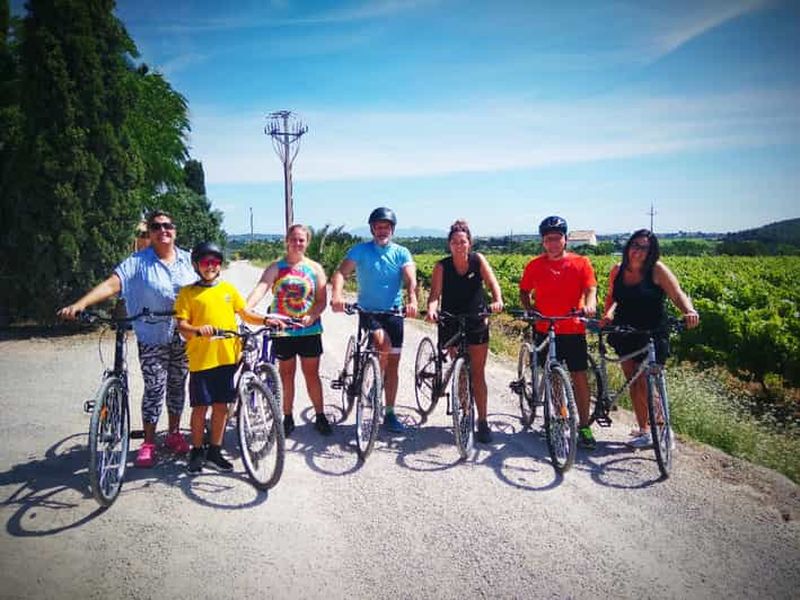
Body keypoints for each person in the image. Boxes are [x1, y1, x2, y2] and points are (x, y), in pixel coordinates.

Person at [58, 210, 196, 467]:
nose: (163, 230)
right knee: (154, 388)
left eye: (167, 225)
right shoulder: (137, 262)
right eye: (156, 226)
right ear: (150, 233)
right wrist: (80, 304)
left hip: (183, 336)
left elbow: (207, 290)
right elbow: (112, 284)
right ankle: (149, 442)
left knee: (178, 385)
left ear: (175, 230)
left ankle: (175, 434)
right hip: (152, 335)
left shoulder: (189, 261)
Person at [174, 242, 274, 473]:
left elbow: (246, 314)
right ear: (196, 265)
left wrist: (267, 320)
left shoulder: (228, 290)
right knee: (201, 408)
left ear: (219, 265)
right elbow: (182, 325)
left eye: (214, 262)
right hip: (202, 359)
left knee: (221, 407)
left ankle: (215, 451)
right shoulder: (188, 293)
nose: (210, 266)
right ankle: (197, 450)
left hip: (227, 358)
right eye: (205, 262)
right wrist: (199, 329)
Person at [602, 229, 700, 449]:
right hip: (625, 331)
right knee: (633, 382)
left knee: (648, 381)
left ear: (651, 250)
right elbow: (612, 296)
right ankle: (645, 430)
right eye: (635, 245)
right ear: (628, 247)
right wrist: (607, 314)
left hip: (653, 331)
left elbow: (677, 294)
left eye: (644, 247)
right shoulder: (617, 270)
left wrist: (689, 311)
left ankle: (663, 427)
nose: (638, 251)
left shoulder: (657, 270)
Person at [331, 207, 418, 433]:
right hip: (368, 312)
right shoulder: (360, 250)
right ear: (372, 229)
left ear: (392, 229)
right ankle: (374, 382)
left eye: (386, 227)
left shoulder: (401, 253)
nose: (382, 231)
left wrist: (413, 299)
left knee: (394, 365)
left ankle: (389, 412)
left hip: (394, 313)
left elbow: (410, 279)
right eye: (378, 227)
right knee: (383, 345)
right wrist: (337, 296)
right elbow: (341, 273)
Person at [519, 215, 598, 449]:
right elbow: (524, 291)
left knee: (579, 377)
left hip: (572, 327)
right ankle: (560, 416)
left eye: (557, 238)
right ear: (543, 241)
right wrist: (530, 309)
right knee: (552, 376)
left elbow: (590, 287)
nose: (553, 243)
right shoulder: (534, 265)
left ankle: (584, 425)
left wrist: (590, 304)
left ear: (565, 239)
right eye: (548, 239)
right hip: (545, 326)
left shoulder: (580, 262)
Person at [246, 224, 331, 438]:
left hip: (309, 331)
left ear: (307, 242)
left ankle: (320, 415)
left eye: (301, 240)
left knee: (312, 375)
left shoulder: (315, 268)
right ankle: (287, 416)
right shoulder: (276, 267)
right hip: (283, 330)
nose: (297, 243)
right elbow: (262, 286)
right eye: (293, 239)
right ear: (287, 241)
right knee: (286, 375)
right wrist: (247, 307)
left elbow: (322, 301)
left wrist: (312, 315)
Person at [426, 220, 504, 443]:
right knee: (461, 371)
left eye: (463, 241)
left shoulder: (477, 260)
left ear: (469, 243)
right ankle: (465, 414)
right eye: (454, 242)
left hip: (476, 317)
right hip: (451, 319)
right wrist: (432, 310)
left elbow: (492, 283)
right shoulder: (442, 266)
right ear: (449, 245)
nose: (459, 246)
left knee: (477, 373)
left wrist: (497, 300)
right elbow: (434, 296)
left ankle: (482, 421)